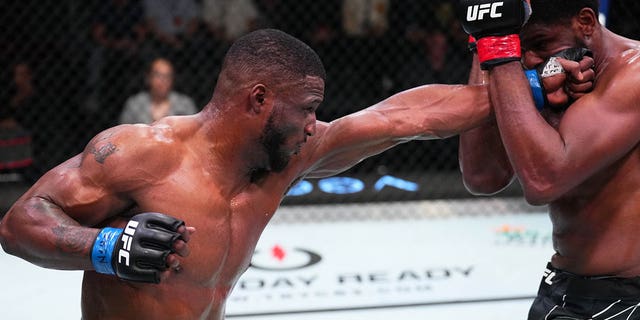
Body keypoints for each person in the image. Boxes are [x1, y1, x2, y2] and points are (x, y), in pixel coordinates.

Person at [0, 28, 580, 319]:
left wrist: (526, 84)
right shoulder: (141, 154)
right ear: (257, 100)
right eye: (305, 108)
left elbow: (407, 116)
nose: (314, 124)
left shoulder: (290, 157)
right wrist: (102, 246)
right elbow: (19, 222)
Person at [457, 0, 640, 319]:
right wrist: (483, 41)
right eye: (520, 47)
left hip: (628, 298)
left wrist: (500, 49)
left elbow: (544, 180)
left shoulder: (634, 75)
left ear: (585, 23)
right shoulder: (540, 72)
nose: (526, 59)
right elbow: (483, 176)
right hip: (561, 287)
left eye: (540, 43)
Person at [119, 57, 197, 124]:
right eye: (158, 75)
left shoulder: (184, 104)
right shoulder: (134, 104)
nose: (163, 80)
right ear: (148, 78)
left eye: (167, 76)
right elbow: (124, 134)